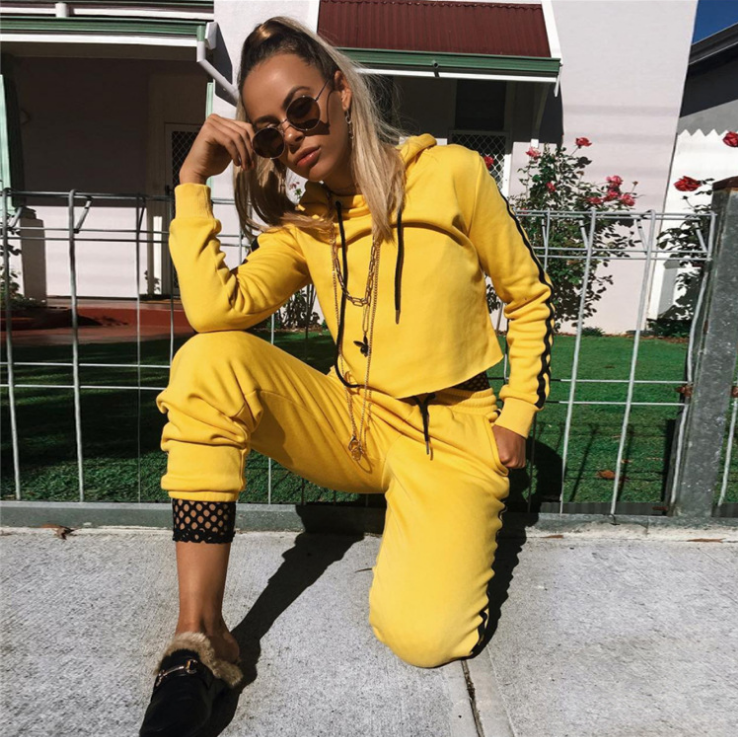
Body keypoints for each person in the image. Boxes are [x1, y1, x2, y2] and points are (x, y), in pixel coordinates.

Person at [139, 15, 555, 737]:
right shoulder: (307, 223)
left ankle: (428, 524)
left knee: (426, 637)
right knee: (209, 362)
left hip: (451, 433)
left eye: (301, 107)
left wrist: (516, 414)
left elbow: (529, 298)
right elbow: (215, 309)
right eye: (270, 132)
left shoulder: (452, 174)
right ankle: (200, 639)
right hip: (352, 421)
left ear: (338, 89)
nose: (294, 136)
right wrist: (191, 181)